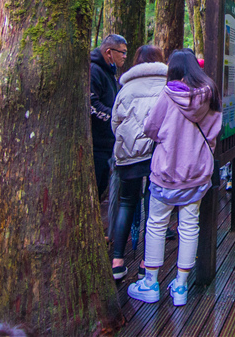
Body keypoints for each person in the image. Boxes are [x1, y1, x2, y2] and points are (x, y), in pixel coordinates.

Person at [128, 49, 220, 307]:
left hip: (166, 171)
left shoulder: (168, 94)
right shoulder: (210, 93)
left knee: (156, 224)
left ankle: (150, 283)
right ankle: (180, 287)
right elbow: (213, 132)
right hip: (197, 171)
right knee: (190, 226)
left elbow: (151, 129)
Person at [110, 44, 167, 280]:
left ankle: (117, 260)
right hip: (156, 152)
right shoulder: (167, 85)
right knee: (153, 206)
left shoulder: (126, 88)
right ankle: (147, 262)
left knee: (126, 203)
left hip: (129, 154)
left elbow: (116, 122)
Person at [91, 34, 127, 199]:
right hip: (96, 144)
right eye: (122, 52)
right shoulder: (94, 70)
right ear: (108, 52)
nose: (125, 57)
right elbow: (92, 105)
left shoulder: (109, 73)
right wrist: (115, 119)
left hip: (107, 143)